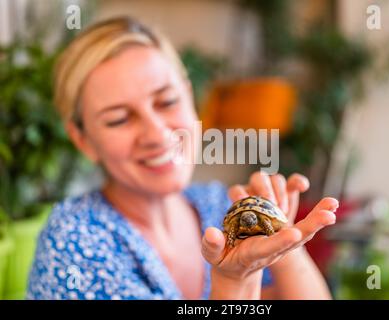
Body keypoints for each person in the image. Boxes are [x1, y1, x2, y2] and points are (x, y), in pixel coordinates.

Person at [27, 17, 339, 300]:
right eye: (119, 119)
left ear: (191, 100)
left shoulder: (219, 204)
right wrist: (234, 281)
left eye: (167, 101)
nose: (156, 133)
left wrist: (286, 249)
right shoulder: (75, 241)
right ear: (83, 140)